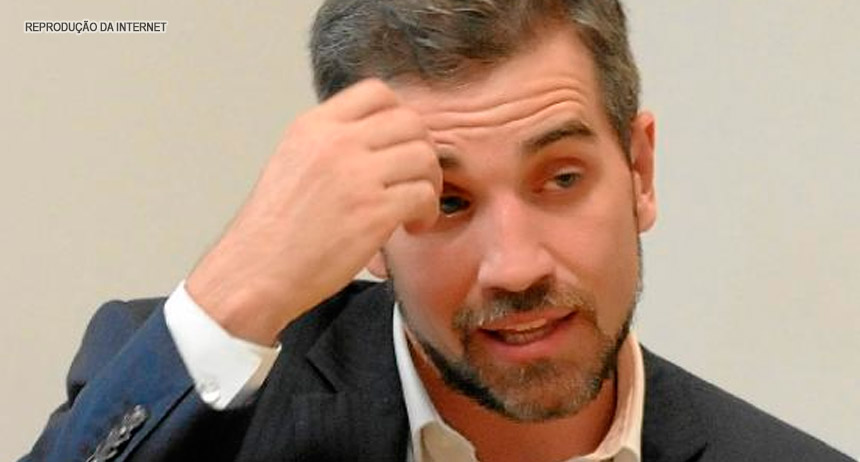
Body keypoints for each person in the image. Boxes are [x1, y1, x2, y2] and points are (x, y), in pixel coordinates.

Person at [21, 1, 853, 461]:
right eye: (448, 201)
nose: (515, 265)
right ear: (369, 223)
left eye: (561, 180)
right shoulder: (201, 414)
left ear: (639, 171)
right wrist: (237, 289)